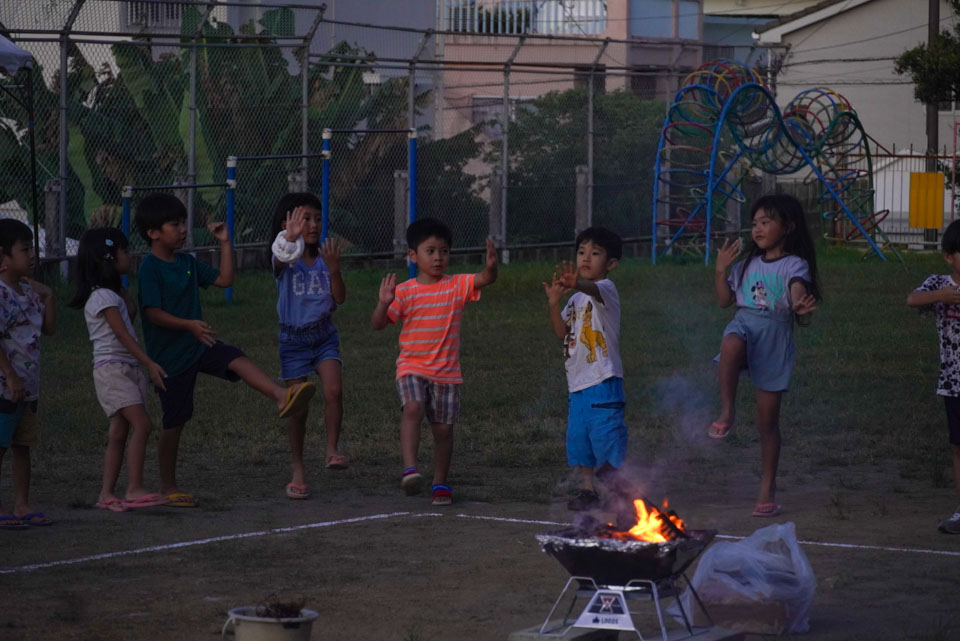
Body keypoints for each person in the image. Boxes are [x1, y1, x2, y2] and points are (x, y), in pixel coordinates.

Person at [135, 193, 315, 508]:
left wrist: (226, 243)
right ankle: (167, 485)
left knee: (234, 358)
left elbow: (225, 279)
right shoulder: (150, 268)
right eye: (174, 224)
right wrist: (189, 324)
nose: (182, 230)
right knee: (175, 421)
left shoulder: (187, 262)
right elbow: (152, 313)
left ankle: (280, 395)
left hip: (197, 345)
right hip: (170, 359)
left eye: (183, 223)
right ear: (152, 232)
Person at [371, 218, 498, 506]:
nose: (438, 257)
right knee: (413, 408)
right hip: (412, 367)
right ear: (413, 256)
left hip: (447, 372)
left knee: (443, 430)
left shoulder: (456, 285)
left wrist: (491, 266)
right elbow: (378, 324)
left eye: (444, 251)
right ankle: (410, 469)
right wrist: (382, 302)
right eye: (430, 251)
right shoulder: (404, 291)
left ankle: (440, 482)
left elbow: (485, 279)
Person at [710, 193, 820, 518]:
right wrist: (720, 270)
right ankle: (727, 411)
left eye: (766, 221)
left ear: (787, 227)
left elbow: (797, 286)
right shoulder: (745, 265)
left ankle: (767, 488)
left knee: (767, 422)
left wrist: (799, 302)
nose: (757, 229)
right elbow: (723, 301)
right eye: (754, 222)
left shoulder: (794, 264)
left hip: (774, 336)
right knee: (730, 343)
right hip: (745, 323)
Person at [69, 227, 170, 513]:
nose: (130, 254)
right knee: (143, 424)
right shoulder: (102, 297)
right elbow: (123, 335)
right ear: (108, 258)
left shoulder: (112, 295)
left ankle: (106, 494)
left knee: (119, 431)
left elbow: (127, 321)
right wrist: (149, 363)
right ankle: (134, 487)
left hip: (124, 368)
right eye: (125, 250)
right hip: (113, 369)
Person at [543, 227, 627, 511]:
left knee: (607, 436)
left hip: (603, 379)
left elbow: (591, 287)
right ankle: (589, 490)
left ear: (611, 264)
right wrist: (555, 303)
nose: (586, 258)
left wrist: (577, 283)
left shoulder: (605, 289)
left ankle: (620, 491)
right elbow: (560, 332)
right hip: (577, 383)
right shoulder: (574, 299)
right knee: (581, 441)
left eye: (595, 253)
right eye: (581, 252)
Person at [270, 193, 347, 500]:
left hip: (323, 335)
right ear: (287, 224)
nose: (313, 225)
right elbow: (280, 257)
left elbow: (340, 298)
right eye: (305, 218)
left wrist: (335, 269)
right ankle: (298, 469)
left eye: (317, 218)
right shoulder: (283, 260)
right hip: (293, 341)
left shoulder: (325, 257)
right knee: (297, 408)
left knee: (334, 391)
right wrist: (289, 239)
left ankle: (331, 450)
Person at [0, 219, 55, 529]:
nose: (32, 255)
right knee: (0, 444)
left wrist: (49, 297)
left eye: (32, 248)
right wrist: (10, 375)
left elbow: (47, 328)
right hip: (6, 386)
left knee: (23, 445)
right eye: (24, 249)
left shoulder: (29, 292)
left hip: (28, 386)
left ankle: (22, 503)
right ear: (3, 257)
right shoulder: (0, 294)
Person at [907, 218, 960, 534]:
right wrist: (942, 296)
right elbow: (912, 299)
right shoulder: (939, 284)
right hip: (954, 383)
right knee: (958, 446)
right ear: (949, 256)